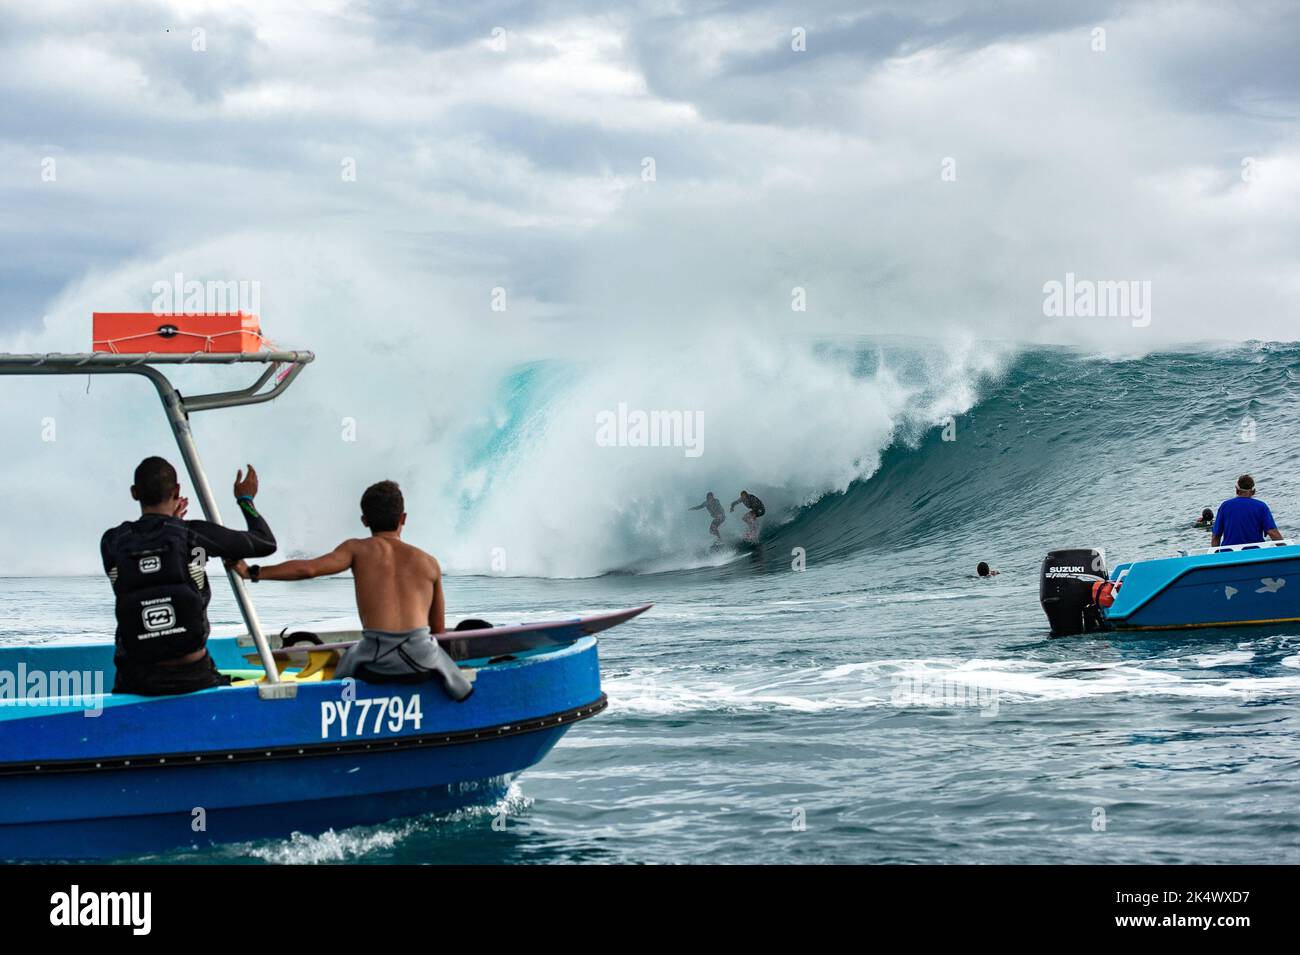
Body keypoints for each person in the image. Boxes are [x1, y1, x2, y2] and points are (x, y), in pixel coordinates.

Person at [229, 480, 472, 701]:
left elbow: (308, 569)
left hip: (375, 662)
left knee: (351, 655)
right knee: (450, 670)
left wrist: (252, 572)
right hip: (422, 661)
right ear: (403, 518)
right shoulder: (429, 562)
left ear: (365, 520)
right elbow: (438, 631)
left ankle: (335, 709)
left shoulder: (356, 550)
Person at [102, 457, 276, 696]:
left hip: (136, 679)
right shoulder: (193, 536)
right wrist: (245, 500)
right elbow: (265, 542)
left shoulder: (112, 541)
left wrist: (171, 526)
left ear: (134, 493)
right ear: (177, 491)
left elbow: (152, 561)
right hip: (193, 675)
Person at [1211, 474, 1283, 548]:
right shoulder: (1261, 506)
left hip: (1230, 554)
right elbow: (1272, 532)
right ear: (1254, 491)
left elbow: (1216, 536)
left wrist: (1215, 556)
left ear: (1236, 489)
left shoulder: (1225, 506)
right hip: (1255, 553)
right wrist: (1285, 549)